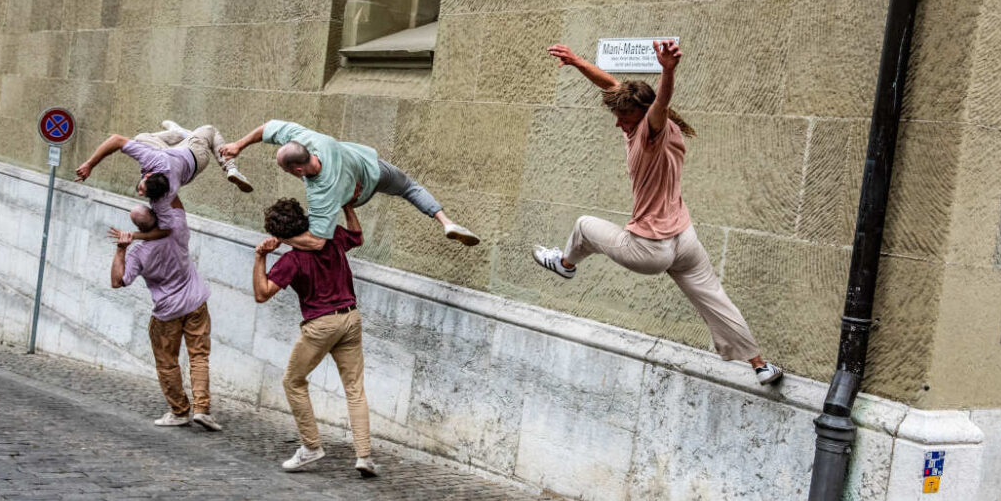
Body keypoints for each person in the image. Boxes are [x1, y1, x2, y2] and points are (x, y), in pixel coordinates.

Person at [533, 41, 783, 386]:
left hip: (649, 249)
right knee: (713, 298)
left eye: (625, 118)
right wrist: (577, 62)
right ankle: (760, 365)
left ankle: (566, 264)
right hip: (684, 239)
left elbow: (660, 103)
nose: (620, 124)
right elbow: (612, 86)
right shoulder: (663, 124)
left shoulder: (653, 131)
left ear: (643, 113)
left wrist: (668, 71)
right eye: (618, 116)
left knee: (584, 226)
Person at [252, 197, 378, 477]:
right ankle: (364, 456)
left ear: (279, 236)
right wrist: (346, 207)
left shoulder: (291, 259)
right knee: (355, 389)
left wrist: (260, 256)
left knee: (293, 381)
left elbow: (261, 293)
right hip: (351, 318)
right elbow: (357, 237)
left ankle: (311, 446)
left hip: (321, 324)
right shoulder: (330, 235)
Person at [220, 120, 478, 251]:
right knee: (410, 188)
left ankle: (447, 224)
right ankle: (446, 222)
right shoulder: (308, 140)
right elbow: (269, 128)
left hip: (353, 196)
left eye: (286, 170)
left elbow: (318, 242)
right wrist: (238, 145)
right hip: (372, 169)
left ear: (297, 169)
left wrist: (282, 238)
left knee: (315, 221)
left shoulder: (321, 192)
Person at [110, 203, 223, 431]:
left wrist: (121, 248)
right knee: (199, 357)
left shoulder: (138, 253)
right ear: (155, 215)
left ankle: (180, 411)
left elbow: (117, 281)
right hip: (195, 302)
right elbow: (174, 196)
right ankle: (202, 409)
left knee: (167, 362)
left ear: (136, 226)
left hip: (167, 311)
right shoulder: (177, 229)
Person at [76, 120, 253, 236]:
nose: (138, 193)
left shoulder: (162, 195)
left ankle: (178, 133)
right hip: (195, 153)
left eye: (141, 190)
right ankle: (230, 168)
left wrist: (90, 164)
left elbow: (165, 230)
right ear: (151, 175)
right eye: (142, 190)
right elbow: (115, 139)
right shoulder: (154, 165)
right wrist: (90, 165)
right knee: (210, 130)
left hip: (188, 164)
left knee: (140, 139)